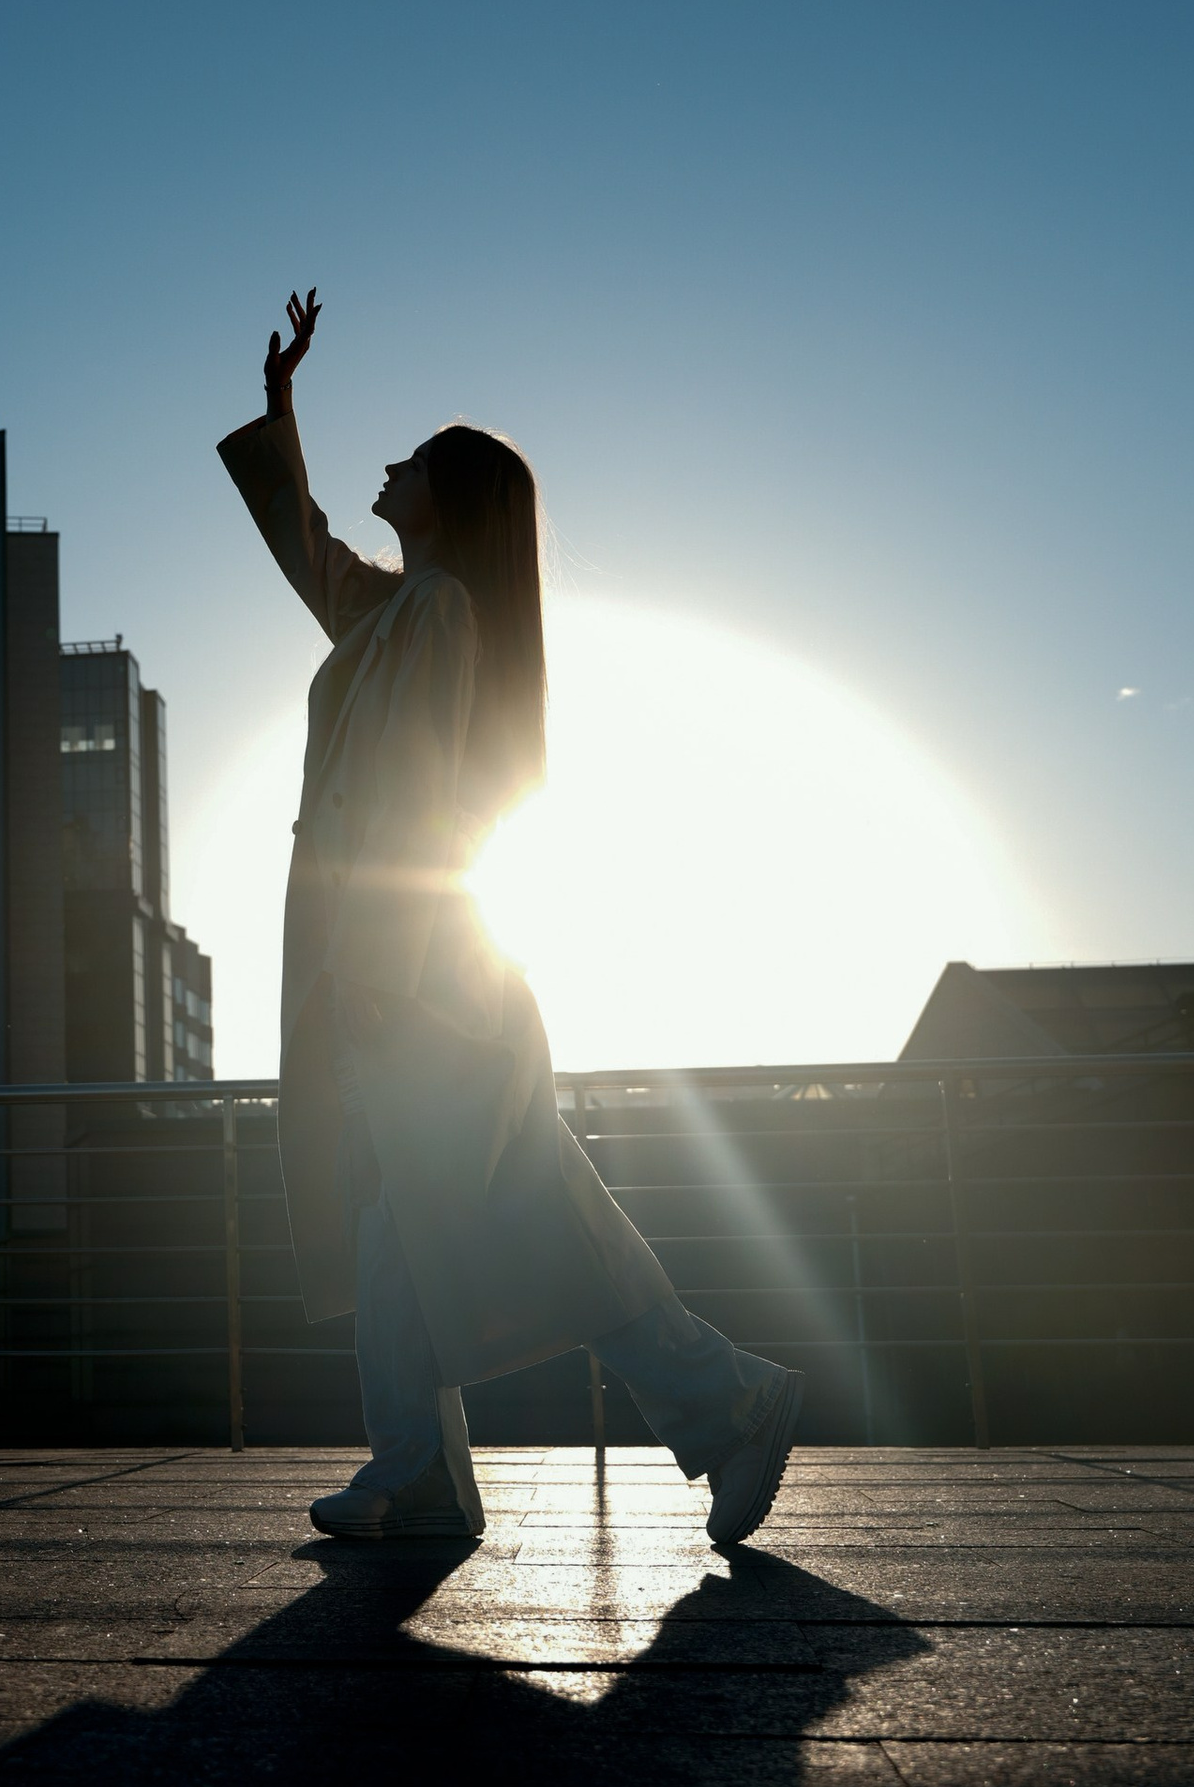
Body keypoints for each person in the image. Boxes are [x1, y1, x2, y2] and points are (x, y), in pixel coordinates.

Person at [218, 288, 801, 1546]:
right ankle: (425, 1462)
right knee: (413, 1218)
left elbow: (418, 797)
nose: (391, 464)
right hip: (418, 975)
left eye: (415, 459)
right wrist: (280, 405)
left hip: (422, 977)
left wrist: (380, 969)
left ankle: (721, 1400)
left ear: (453, 499)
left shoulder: (435, 614)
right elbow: (305, 547)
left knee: (518, 1218)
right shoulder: (402, 610)